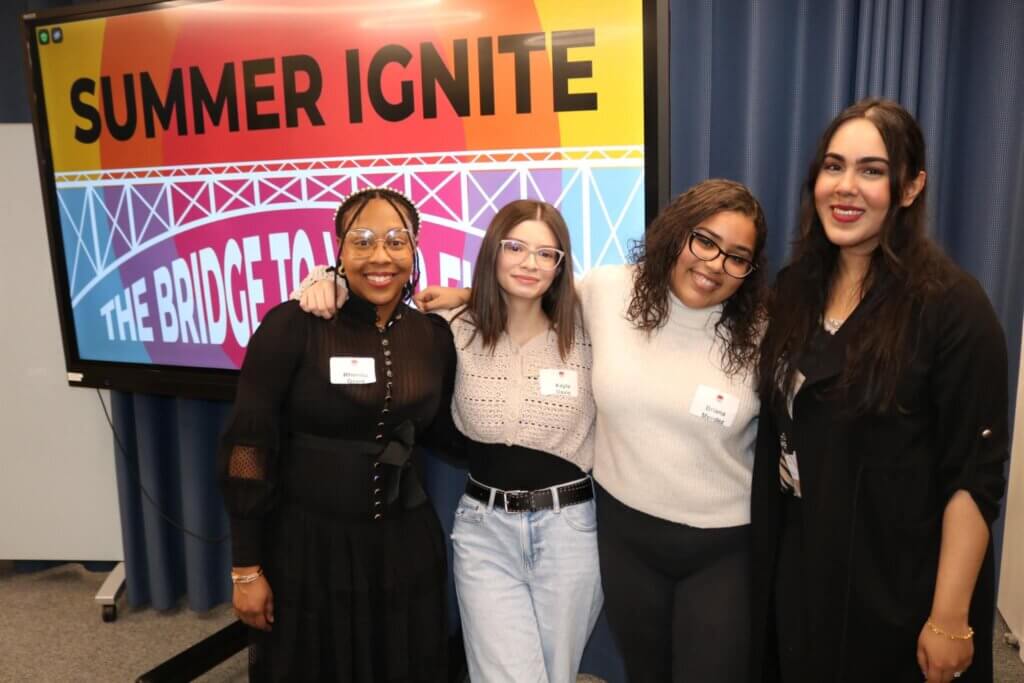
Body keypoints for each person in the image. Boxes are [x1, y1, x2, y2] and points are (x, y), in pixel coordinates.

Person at [396, 179, 770, 682]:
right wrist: (465, 293)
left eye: (736, 257)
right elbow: (527, 284)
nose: (713, 263)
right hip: (613, 539)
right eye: (704, 241)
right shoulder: (613, 290)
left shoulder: (765, 330)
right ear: (677, 235)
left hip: (705, 546)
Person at [751, 98, 1009, 683]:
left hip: (897, 584)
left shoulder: (953, 307)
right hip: (803, 567)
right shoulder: (795, 289)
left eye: (871, 170)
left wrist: (949, 619)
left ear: (911, 186)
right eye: (833, 166)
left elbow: (975, 474)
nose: (846, 187)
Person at [297, 199, 602, 683]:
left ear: (562, 267)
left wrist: (466, 290)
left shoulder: (589, 329)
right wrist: (326, 278)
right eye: (515, 247)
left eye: (547, 254)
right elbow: (375, 291)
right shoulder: (453, 330)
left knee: (555, 674)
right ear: (492, 253)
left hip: (569, 531)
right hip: (486, 530)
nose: (530, 262)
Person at [218, 187, 458, 682]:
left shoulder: (432, 336)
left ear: (414, 250)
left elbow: (448, 436)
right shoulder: (293, 326)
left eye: (396, 240)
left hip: (404, 546)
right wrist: (246, 567)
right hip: (308, 547)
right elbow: (248, 448)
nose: (380, 256)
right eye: (362, 240)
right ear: (339, 250)